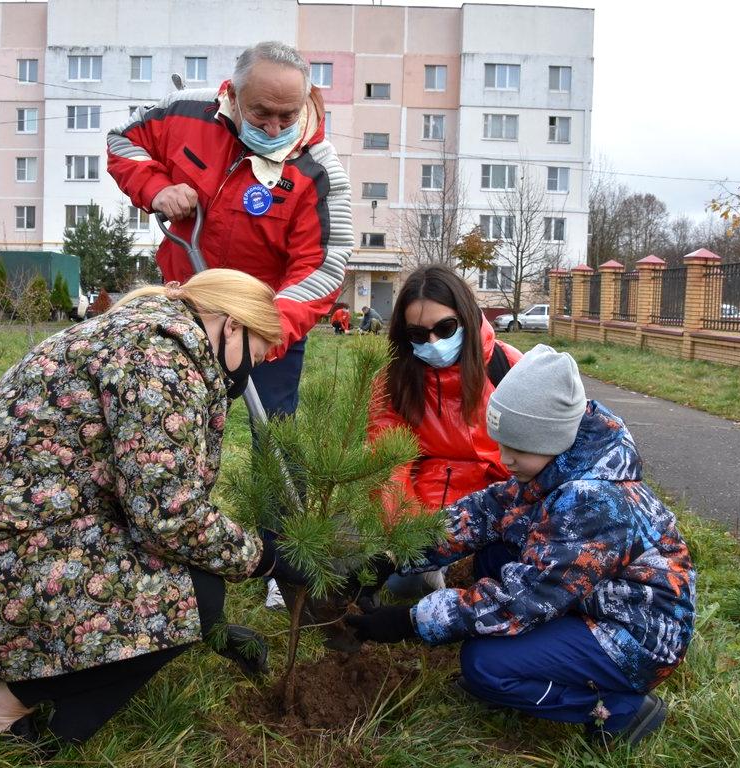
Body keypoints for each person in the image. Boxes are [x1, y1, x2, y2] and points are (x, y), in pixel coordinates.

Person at [0, 270, 309, 749]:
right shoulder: (159, 359)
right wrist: (263, 558)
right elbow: (168, 515)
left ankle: (62, 719)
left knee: (187, 589)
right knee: (192, 597)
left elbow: (149, 492)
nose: (256, 368)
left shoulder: (147, 331)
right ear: (231, 326)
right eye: (260, 353)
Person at [347, 346, 696, 746]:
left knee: (483, 665)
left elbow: (521, 601)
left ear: (553, 437)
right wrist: (396, 556)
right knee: (494, 553)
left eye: (517, 448)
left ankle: (619, 712)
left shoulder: (592, 503)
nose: (504, 459)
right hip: (598, 600)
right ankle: (538, 664)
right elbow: (483, 513)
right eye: (501, 443)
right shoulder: (560, 463)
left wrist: (412, 621)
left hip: (637, 637)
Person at [107, 40, 352, 421]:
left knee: (274, 427)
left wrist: (266, 329)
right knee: (169, 416)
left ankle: (274, 482)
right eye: (262, 114)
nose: (274, 130)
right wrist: (157, 189)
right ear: (234, 96)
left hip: (267, 319)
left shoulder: (319, 172)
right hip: (185, 307)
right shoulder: (184, 113)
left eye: (287, 117)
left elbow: (323, 265)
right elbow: (122, 140)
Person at [366, 265, 522, 596]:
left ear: (466, 317)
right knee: (403, 584)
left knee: (500, 573)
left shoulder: (509, 367)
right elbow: (388, 465)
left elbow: (544, 459)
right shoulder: (394, 382)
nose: (433, 342)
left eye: (445, 328)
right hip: (426, 506)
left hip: (499, 506)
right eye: (418, 335)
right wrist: (416, 535)